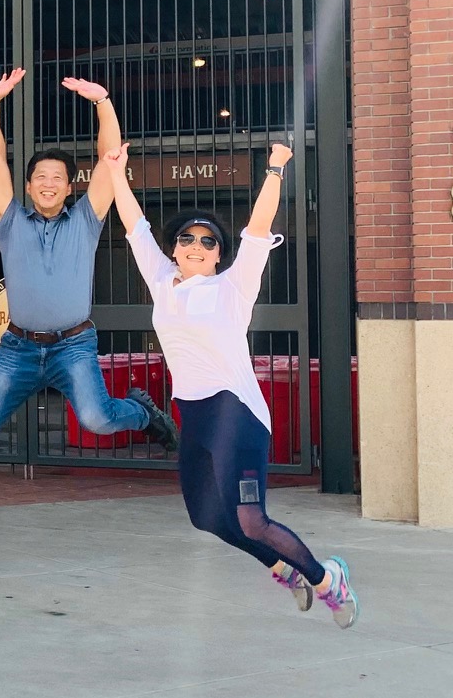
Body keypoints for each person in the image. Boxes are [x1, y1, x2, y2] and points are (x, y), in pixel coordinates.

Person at [100, 141, 357, 626]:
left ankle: (327, 581)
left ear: (219, 255)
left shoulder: (233, 287)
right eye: (187, 240)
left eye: (207, 242)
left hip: (235, 414)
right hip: (194, 416)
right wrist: (116, 173)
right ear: (175, 249)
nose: (195, 247)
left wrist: (276, 168)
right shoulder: (161, 279)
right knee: (205, 518)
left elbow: (258, 228)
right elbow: (135, 226)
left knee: (250, 519)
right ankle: (284, 567)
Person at [0, 70, 178, 450]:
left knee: (97, 419)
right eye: (40, 177)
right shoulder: (10, 221)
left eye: (57, 177)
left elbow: (109, 160)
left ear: (68, 186)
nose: (48, 183)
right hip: (19, 348)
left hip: (73, 346)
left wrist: (103, 102)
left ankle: (142, 413)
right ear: (27, 186)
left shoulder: (85, 220)